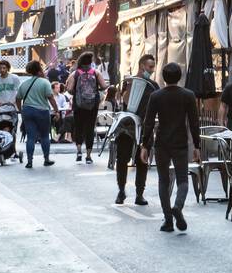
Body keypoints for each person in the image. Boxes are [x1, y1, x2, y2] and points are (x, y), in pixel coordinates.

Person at [139, 62, 201, 233]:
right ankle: (178, 206)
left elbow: (149, 122)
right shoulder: (188, 95)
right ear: (180, 76)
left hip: (161, 143)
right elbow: (194, 123)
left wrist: (145, 145)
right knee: (183, 180)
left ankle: (168, 220)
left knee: (163, 180)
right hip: (180, 143)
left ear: (164, 77)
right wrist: (197, 145)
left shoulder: (156, 96)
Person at [114, 53, 159, 206]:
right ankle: (121, 190)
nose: (152, 70)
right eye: (150, 67)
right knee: (122, 159)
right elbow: (123, 102)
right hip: (127, 126)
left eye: (153, 67)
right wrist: (130, 85)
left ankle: (140, 193)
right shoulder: (129, 82)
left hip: (146, 127)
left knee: (142, 161)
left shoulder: (154, 86)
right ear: (142, 66)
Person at [66, 52, 108, 164]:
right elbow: (104, 86)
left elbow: (69, 89)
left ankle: (79, 151)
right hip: (92, 105)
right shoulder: (96, 73)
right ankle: (88, 156)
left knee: (79, 127)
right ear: (91, 62)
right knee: (90, 129)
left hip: (78, 105)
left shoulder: (75, 73)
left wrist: (78, 92)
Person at [17, 60, 57, 168]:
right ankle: (46, 159)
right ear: (39, 70)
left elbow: (18, 98)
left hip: (27, 111)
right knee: (44, 136)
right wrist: (56, 110)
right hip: (42, 111)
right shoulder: (45, 82)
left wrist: (21, 110)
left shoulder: (24, 84)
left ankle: (29, 161)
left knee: (30, 137)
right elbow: (51, 98)